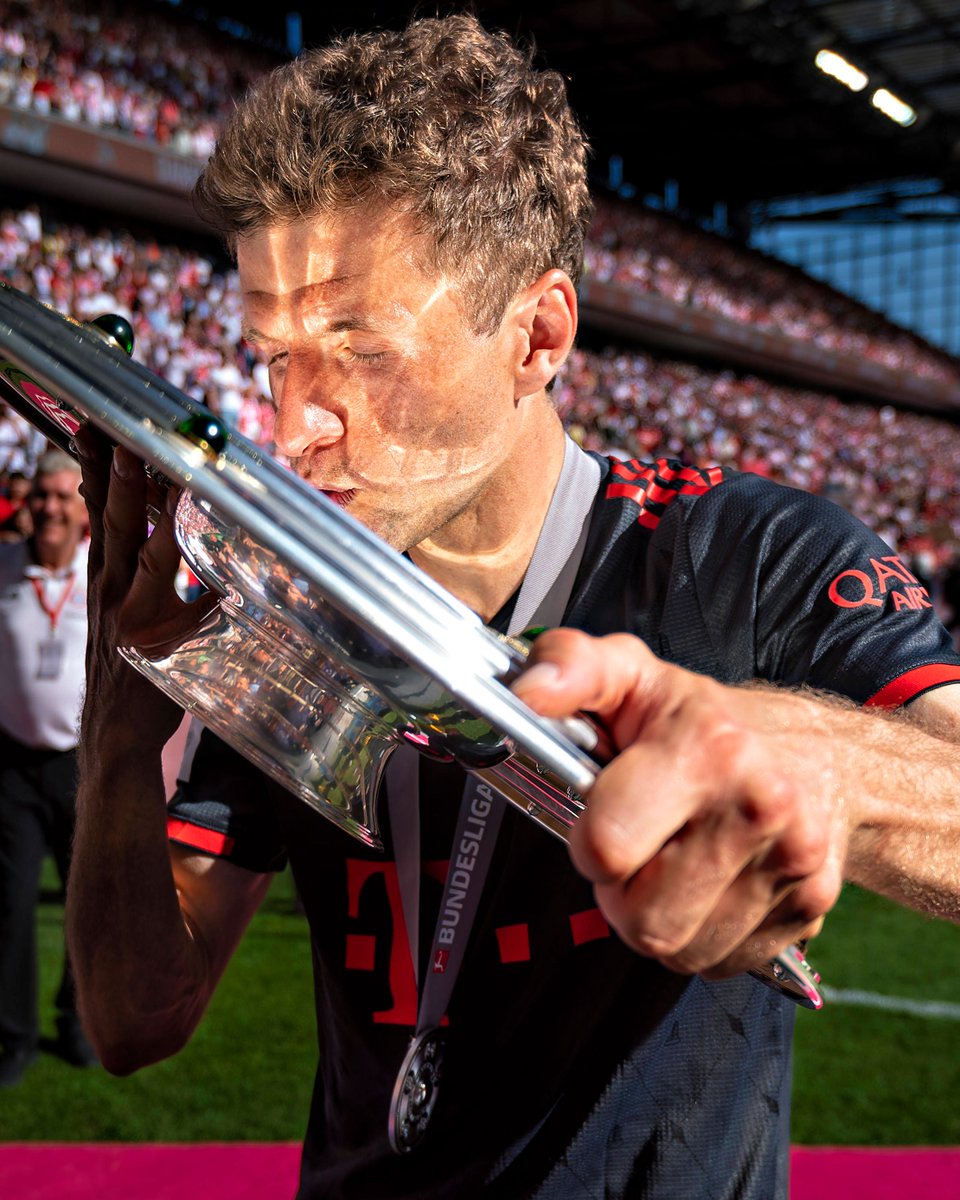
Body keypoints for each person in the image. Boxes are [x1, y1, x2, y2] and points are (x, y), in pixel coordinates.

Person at [67, 14, 960, 1199]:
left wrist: (818, 762)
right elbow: (138, 1015)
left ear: (537, 334)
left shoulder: (749, 552)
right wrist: (119, 718)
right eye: (275, 356)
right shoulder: (293, 607)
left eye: (363, 350)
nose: (294, 427)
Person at [0, 450, 98, 1086]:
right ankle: (13, 1038)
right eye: (41, 496)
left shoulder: (106, 573)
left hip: (82, 767)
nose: (51, 507)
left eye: (64, 495)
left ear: (84, 509)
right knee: (7, 909)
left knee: (84, 906)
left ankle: (80, 1020)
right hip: (10, 764)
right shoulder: (3, 566)